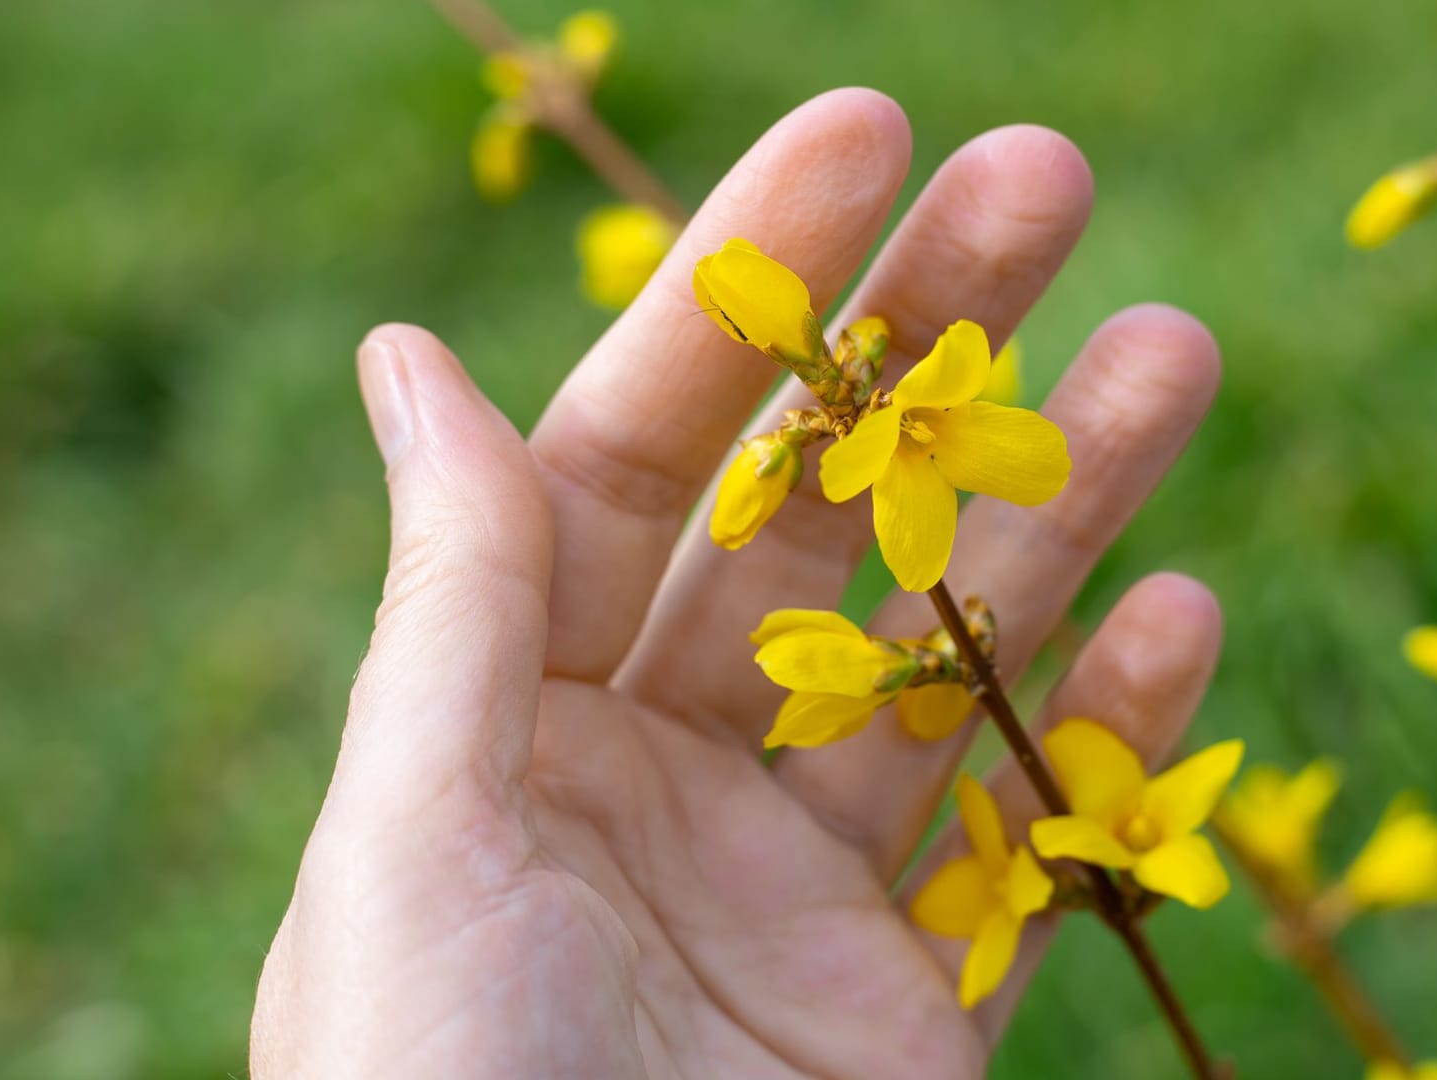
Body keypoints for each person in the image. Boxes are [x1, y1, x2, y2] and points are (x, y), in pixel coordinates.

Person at [250, 88, 1226, 1078]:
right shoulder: (855, 444)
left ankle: (900, 659)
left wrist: (909, 422)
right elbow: (865, 470)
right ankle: (897, 663)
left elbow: (951, 454)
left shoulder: (911, 423)